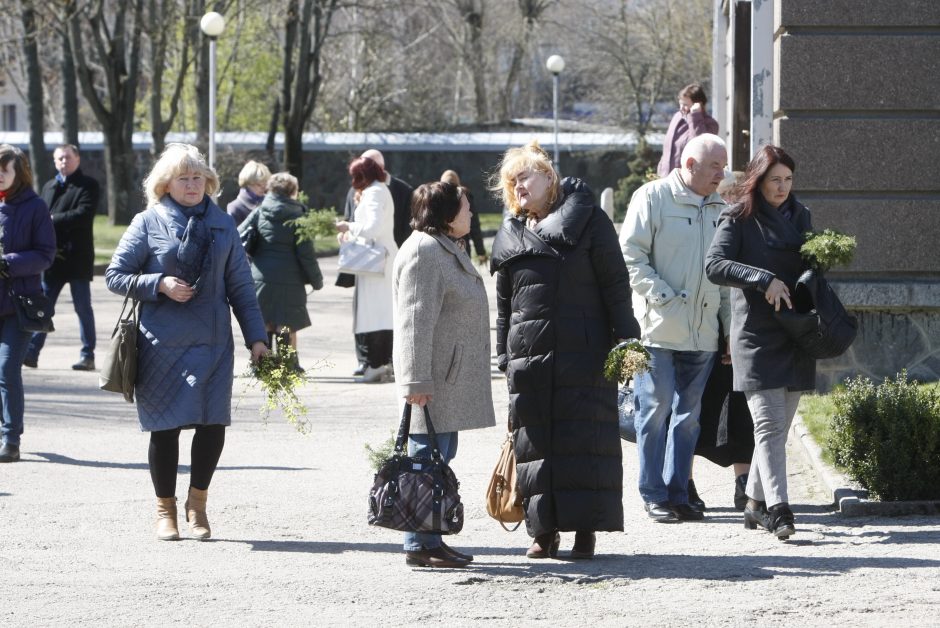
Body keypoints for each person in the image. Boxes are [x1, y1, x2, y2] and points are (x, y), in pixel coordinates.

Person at [105, 144, 268, 540]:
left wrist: (257, 340)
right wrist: (158, 283)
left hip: (213, 342)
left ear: (209, 183)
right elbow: (115, 275)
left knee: (212, 425)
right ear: (166, 184)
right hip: (161, 344)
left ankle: (198, 506)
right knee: (166, 428)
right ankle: (165, 511)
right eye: (184, 178)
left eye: (199, 178)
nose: (193, 185)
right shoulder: (148, 222)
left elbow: (242, 287)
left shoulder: (222, 224)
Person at [490, 141, 640, 560]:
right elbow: (505, 305)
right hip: (529, 361)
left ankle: (584, 531)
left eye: (525, 176)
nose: (518, 185)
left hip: (585, 353)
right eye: (512, 180)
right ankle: (543, 532)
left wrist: (627, 343)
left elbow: (615, 286)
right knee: (535, 447)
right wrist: (504, 356)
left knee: (584, 442)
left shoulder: (589, 220)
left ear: (549, 178)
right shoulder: (511, 232)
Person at [620, 133, 731, 523]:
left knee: (690, 417)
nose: (723, 172)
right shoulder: (652, 197)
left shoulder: (722, 206)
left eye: (724, 164)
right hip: (658, 328)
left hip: (703, 331)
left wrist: (729, 329)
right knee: (654, 409)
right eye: (716, 165)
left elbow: (726, 274)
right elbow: (630, 255)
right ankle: (653, 494)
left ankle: (678, 492)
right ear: (689, 165)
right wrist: (663, 296)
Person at [705, 145, 814, 539]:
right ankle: (780, 509)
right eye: (774, 181)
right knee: (767, 426)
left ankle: (753, 504)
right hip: (754, 334)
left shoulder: (802, 216)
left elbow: (808, 266)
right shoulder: (737, 217)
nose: (782, 188)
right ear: (757, 181)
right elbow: (714, 265)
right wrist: (762, 278)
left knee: (778, 429)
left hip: (796, 332)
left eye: (788, 180)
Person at [392, 181, 496, 568]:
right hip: (432, 380)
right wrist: (416, 380)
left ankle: (428, 538)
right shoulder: (425, 250)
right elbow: (413, 322)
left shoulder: (442, 246)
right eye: (466, 207)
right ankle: (419, 543)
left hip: (444, 378)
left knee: (436, 458)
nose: (471, 213)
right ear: (447, 214)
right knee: (425, 460)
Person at [0, 145, 56, 463]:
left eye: (3, 171)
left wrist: (8, 263)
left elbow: (46, 254)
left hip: (19, 304)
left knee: (7, 369)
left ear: (17, 173)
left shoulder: (34, 206)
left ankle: (11, 438)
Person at [23, 144, 100, 371]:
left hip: (77, 258)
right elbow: (39, 216)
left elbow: (82, 215)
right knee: (43, 307)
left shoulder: (88, 185)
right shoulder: (49, 186)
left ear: (77, 159)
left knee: (83, 308)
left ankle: (88, 355)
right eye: (59, 159)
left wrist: (51, 218)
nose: (63, 162)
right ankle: (31, 352)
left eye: (67, 158)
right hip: (52, 259)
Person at [239, 172, 323, 373]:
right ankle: (288, 366)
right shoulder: (299, 215)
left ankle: (262, 365)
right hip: (290, 280)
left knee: (264, 323)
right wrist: (316, 280)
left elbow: (239, 233)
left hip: (260, 277)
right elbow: (307, 254)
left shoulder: (260, 211)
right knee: (286, 324)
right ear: (293, 191)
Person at [339, 149, 413, 376]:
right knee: (380, 312)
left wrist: (348, 227)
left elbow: (372, 228)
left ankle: (376, 363)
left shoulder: (373, 193)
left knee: (377, 313)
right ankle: (378, 362)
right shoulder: (377, 190)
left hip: (376, 261)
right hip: (378, 259)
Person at [657, 83, 720, 178]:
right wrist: (661, 171)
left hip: (688, 180)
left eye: (685, 105)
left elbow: (698, 145)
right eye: (680, 104)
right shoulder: (678, 118)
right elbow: (668, 149)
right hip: (666, 177)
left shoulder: (710, 124)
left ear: (698, 104)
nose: (681, 108)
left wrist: (695, 116)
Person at [439, 169, 487, 265]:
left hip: (442, 246)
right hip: (462, 246)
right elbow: (474, 226)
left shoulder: (438, 198)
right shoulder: (465, 196)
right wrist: (480, 252)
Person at [226, 160, 271, 226]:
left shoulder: (269, 202)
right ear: (248, 184)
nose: (263, 188)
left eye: (265, 184)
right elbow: (234, 235)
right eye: (259, 184)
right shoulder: (235, 207)